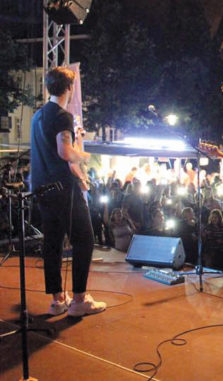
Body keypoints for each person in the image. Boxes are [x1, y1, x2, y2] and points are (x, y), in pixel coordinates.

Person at [30, 67, 106, 317]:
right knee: (84, 239)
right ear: (69, 89)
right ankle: (80, 301)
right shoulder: (63, 116)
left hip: (42, 188)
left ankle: (58, 300)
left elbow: (55, 156)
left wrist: (77, 143)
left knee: (52, 243)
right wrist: (84, 153)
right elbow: (65, 154)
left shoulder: (37, 116)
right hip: (63, 191)